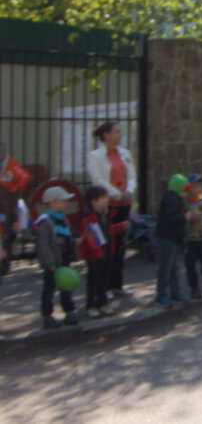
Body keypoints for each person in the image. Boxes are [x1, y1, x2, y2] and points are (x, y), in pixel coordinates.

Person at [86, 121, 136, 298]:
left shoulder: (125, 153)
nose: (120, 135)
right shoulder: (95, 156)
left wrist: (128, 191)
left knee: (120, 246)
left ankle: (117, 284)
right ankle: (104, 287)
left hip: (123, 204)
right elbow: (98, 180)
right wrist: (116, 194)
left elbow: (131, 175)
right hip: (107, 207)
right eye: (116, 132)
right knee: (106, 247)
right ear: (106, 135)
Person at [78, 185, 126, 317]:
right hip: (95, 255)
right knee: (94, 280)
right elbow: (91, 237)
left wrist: (120, 227)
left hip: (107, 252)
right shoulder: (89, 217)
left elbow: (107, 231)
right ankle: (92, 305)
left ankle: (102, 303)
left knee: (105, 279)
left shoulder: (105, 215)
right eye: (103, 198)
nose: (107, 200)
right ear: (94, 201)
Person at [35, 187, 80, 329]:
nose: (66, 202)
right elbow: (43, 244)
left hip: (64, 258)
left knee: (66, 285)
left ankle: (69, 311)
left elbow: (66, 237)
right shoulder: (45, 221)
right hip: (53, 261)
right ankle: (47, 315)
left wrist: (74, 244)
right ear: (53, 202)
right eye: (63, 200)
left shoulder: (63, 219)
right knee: (49, 287)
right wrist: (49, 262)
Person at [154, 174, 193, 307]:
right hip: (167, 237)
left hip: (173, 237)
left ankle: (174, 292)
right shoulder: (172, 201)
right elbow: (169, 220)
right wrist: (184, 217)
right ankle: (162, 295)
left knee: (174, 267)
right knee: (166, 267)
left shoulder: (175, 200)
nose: (187, 194)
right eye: (185, 191)